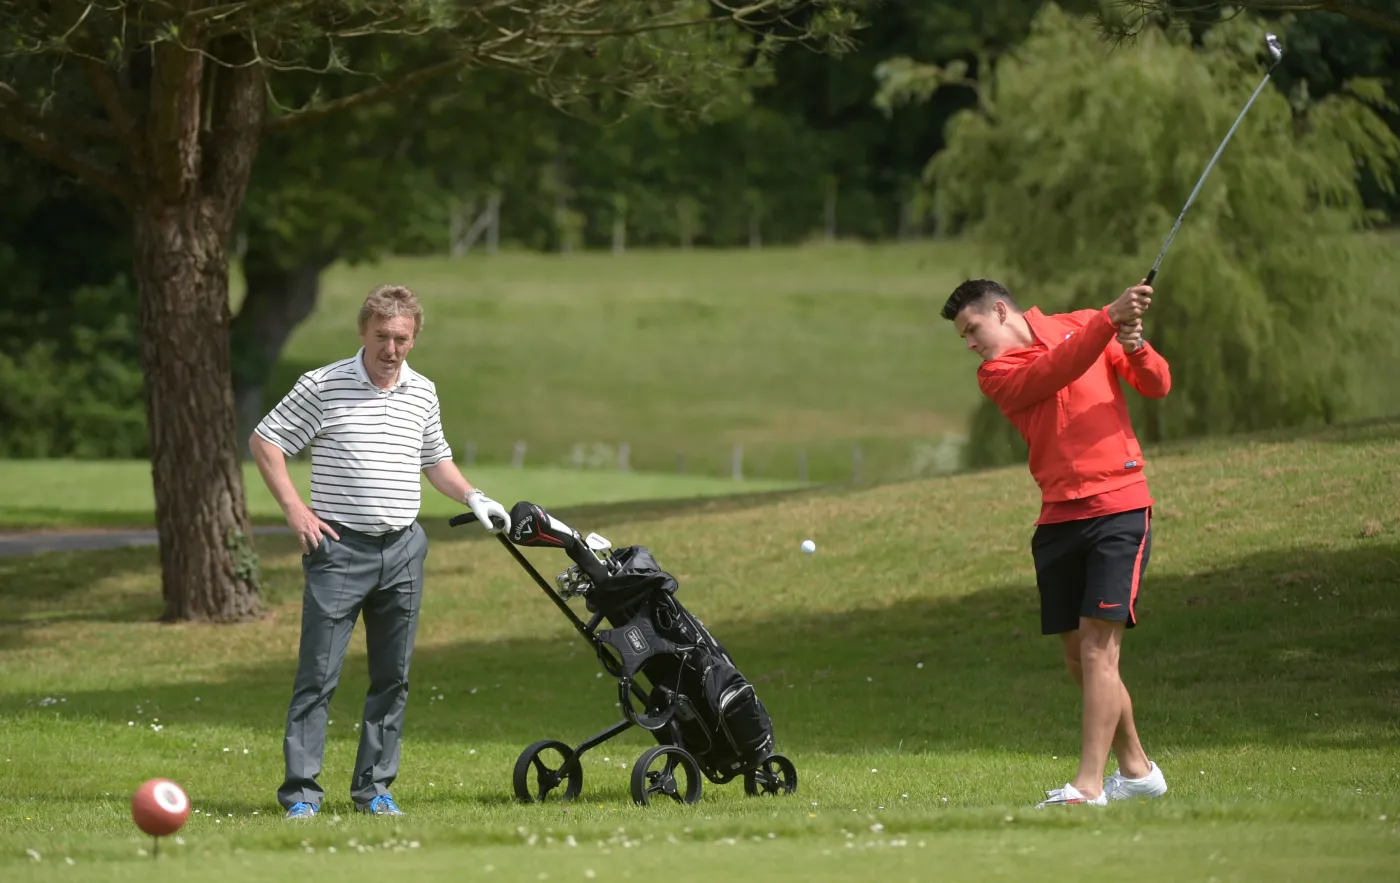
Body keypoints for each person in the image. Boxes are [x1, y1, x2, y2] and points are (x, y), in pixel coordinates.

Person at [249, 283, 511, 819]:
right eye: (382, 337)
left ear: (414, 338)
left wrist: (473, 496)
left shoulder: (423, 392)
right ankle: (302, 794)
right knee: (318, 676)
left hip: (404, 550)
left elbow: (435, 459)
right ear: (364, 332)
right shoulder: (323, 385)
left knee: (393, 677)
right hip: (339, 548)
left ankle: (374, 790)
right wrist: (295, 509)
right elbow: (266, 440)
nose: (391, 349)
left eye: (402, 339)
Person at [940, 278, 1172, 808]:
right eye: (964, 337)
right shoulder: (996, 374)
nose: (970, 343)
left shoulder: (1084, 326)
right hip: (1057, 520)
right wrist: (1110, 319)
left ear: (1001, 311)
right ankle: (1138, 771)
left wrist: (1134, 342)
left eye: (972, 329)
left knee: (1097, 649)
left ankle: (1087, 787)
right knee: (1078, 658)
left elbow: (1156, 384)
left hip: (1118, 507)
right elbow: (1054, 371)